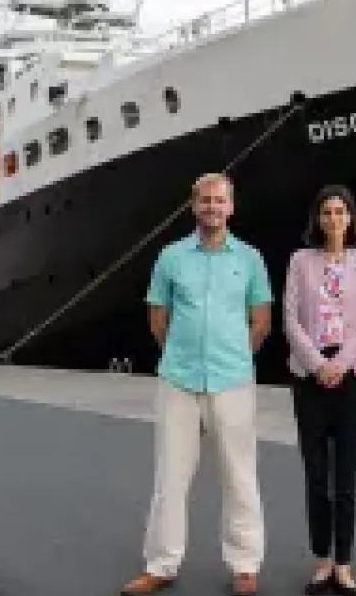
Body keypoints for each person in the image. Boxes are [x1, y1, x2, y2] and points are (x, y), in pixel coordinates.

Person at [120, 173, 274, 596]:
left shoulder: (250, 258)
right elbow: (157, 316)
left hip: (232, 379)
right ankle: (162, 564)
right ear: (193, 206)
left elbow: (260, 317)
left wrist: (239, 354)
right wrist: (179, 354)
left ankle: (245, 565)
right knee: (170, 475)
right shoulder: (170, 257)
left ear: (231, 207)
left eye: (219, 200)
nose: (212, 206)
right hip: (180, 380)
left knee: (240, 476)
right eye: (205, 200)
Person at [282, 184, 356, 596]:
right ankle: (321, 559)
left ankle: (344, 561)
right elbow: (290, 317)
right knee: (315, 472)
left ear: (351, 218)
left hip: (353, 375)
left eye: (341, 211)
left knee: (346, 475)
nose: (334, 219)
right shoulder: (300, 261)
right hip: (309, 377)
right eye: (327, 212)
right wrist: (318, 363)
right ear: (318, 219)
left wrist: (340, 364)